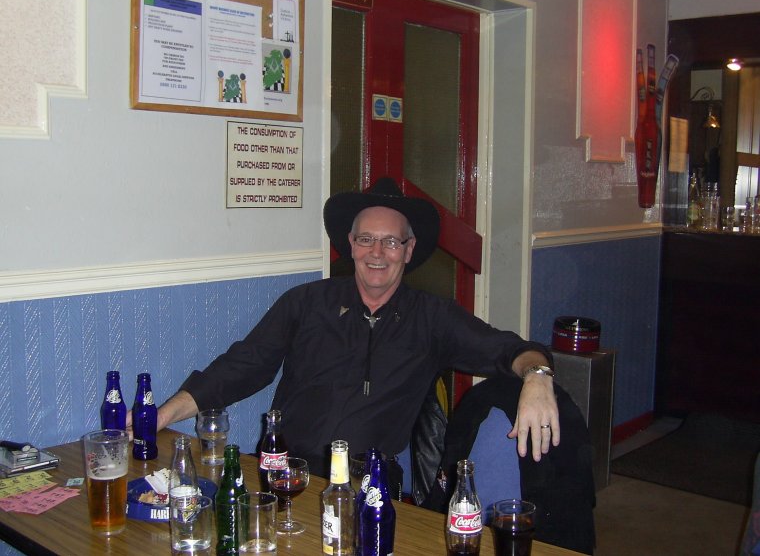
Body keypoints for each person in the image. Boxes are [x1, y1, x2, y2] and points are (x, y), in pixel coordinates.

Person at [129, 178, 559, 477]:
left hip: (367, 482)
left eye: (391, 241)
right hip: (284, 469)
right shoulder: (306, 302)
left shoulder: (433, 318)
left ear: (409, 250)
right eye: (366, 239)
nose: (377, 253)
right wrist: (166, 413)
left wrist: (538, 376)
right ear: (350, 245)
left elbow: (508, 349)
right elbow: (244, 365)